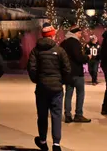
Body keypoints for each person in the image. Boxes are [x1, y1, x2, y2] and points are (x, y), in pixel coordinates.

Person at [28, 23, 71, 151]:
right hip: (56, 88)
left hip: (42, 88)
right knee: (56, 115)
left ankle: (42, 141)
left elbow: (31, 68)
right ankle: (56, 144)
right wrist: (60, 81)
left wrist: (38, 80)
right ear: (52, 35)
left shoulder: (36, 51)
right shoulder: (60, 50)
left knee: (42, 115)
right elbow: (67, 69)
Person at [60, 25, 91, 123]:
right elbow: (79, 57)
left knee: (68, 94)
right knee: (80, 93)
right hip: (77, 72)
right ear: (75, 33)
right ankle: (78, 114)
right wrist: (87, 57)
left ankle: (67, 115)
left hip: (68, 73)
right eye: (79, 33)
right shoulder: (75, 42)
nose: (80, 35)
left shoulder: (63, 43)